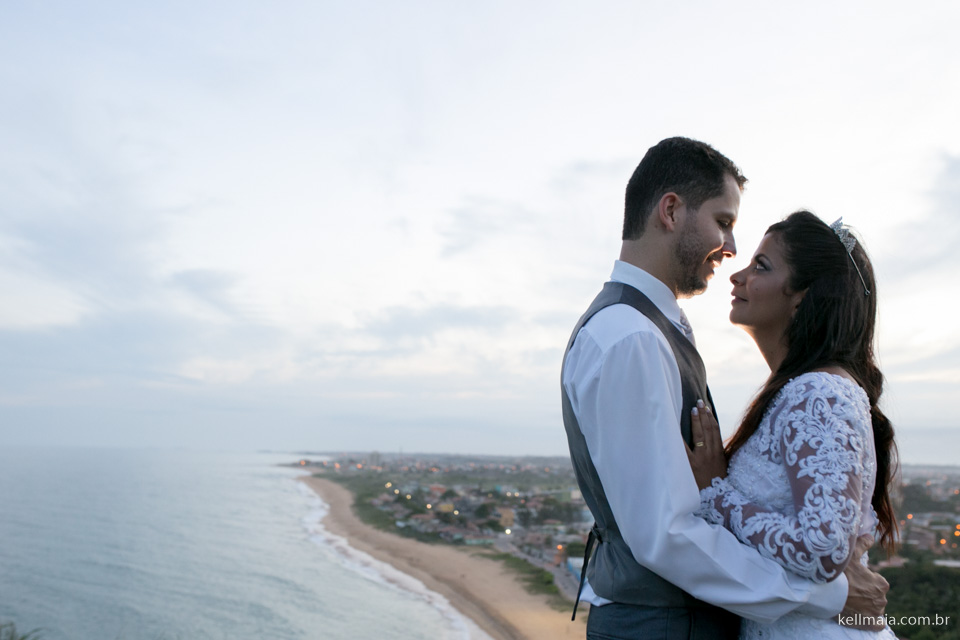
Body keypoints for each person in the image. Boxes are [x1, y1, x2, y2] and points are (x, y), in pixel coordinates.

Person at [560, 137, 888, 640]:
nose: (731, 247)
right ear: (671, 211)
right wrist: (832, 596)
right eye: (724, 221)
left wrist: (720, 492)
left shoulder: (651, 330)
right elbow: (667, 536)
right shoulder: (630, 338)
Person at [686, 211, 898, 639]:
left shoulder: (818, 394)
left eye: (761, 266)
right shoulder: (803, 391)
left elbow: (822, 550)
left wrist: (716, 492)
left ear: (801, 296)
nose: (737, 276)